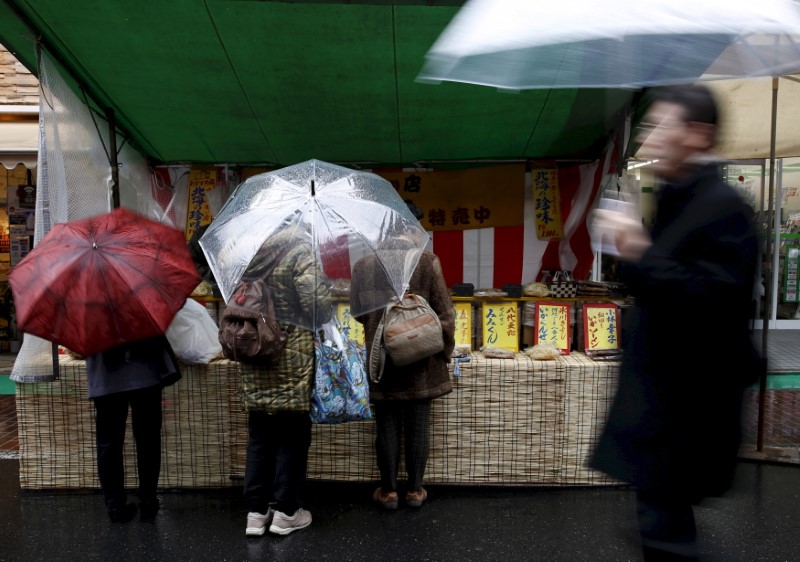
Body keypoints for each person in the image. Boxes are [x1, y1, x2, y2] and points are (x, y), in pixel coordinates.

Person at [589, 84, 763, 561]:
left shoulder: (726, 206)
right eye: (651, 127)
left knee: (667, 532)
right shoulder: (676, 196)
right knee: (661, 521)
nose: (652, 139)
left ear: (698, 134)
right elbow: (660, 282)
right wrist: (629, 251)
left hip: (687, 402)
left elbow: (715, 297)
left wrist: (641, 253)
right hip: (661, 399)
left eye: (663, 126)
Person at [350, 239, 455, 510]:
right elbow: (445, 313)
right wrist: (444, 351)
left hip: (382, 359)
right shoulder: (427, 261)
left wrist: (380, 326)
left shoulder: (363, 265)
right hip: (423, 359)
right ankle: (415, 491)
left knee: (386, 424)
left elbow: (356, 313)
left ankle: (388, 493)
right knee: (418, 424)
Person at [241, 233, 332, 537]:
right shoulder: (300, 249)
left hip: (254, 355)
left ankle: (256, 512)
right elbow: (317, 305)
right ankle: (286, 513)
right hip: (290, 359)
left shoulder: (246, 251)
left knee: (259, 437)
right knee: (292, 438)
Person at [86, 335, 181, 523]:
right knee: (148, 438)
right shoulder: (140, 304)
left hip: (105, 372)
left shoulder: (85, 305)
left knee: (109, 442)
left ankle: (115, 505)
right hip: (144, 367)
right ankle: (148, 500)